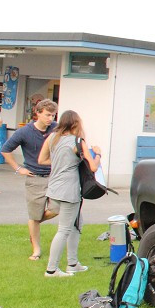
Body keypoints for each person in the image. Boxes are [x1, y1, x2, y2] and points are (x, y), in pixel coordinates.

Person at [38, 110, 101, 278]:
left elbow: (41, 160)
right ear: (75, 124)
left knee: (77, 223)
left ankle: (73, 263)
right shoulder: (78, 141)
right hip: (69, 190)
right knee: (64, 229)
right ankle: (52, 270)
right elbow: (93, 167)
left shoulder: (52, 138)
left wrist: (61, 161)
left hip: (54, 188)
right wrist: (98, 153)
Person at [1, 99, 59, 260]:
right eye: (47, 115)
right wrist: (18, 168)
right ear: (38, 113)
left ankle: (34, 224)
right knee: (34, 215)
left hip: (54, 176)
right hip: (35, 178)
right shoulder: (24, 132)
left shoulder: (56, 128)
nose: (50, 119)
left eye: (53, 115)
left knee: (56, 209)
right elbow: (5, 150)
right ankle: (36, 250)